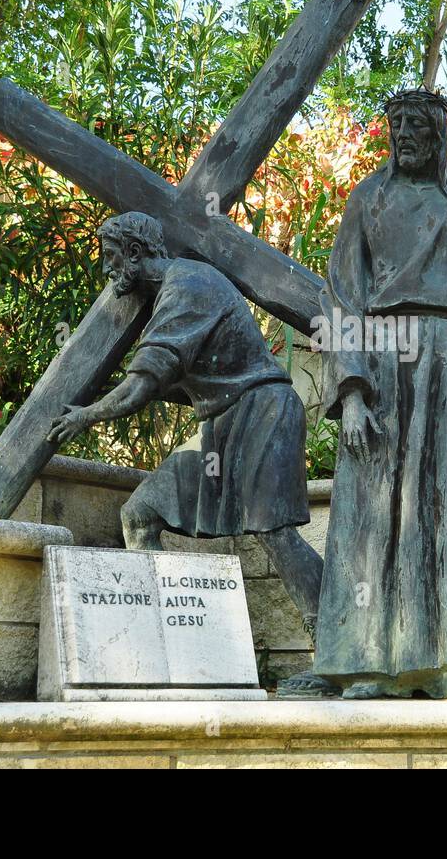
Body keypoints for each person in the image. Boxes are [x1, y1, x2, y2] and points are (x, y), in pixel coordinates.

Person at [309, 89, 447, 700]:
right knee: (373, 512)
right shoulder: (367, 201)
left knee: (444, 507)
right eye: (396, 124)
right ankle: (368, 664)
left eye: (416, 125)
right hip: (379, 361)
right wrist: (350, 391)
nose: (404, 134)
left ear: (437, 134)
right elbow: (341, 294)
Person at [47, 211, 325, 654]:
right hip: (220, 423)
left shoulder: (187, 286)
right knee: (140, 516)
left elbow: (140, 387)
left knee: (273, 531)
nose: (106, 270)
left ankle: (333, 642)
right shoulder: (171, 294)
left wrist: (85, 415)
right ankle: (167, 649)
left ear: (136, 253)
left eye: (111, 256)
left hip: (262, 410)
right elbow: (170, 382)